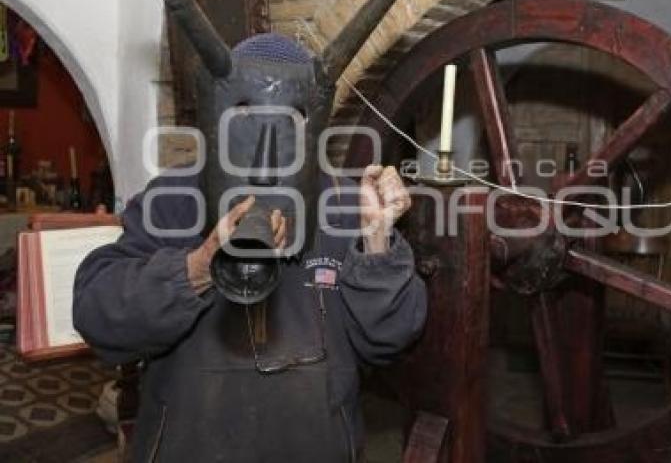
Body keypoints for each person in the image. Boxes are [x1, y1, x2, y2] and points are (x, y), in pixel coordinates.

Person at [73, 163, 426, 462]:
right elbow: (97, 316)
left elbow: (389, 339)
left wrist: (377, 241)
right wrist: (197, 267)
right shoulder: (173, 196)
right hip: (190, 445)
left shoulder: (348, 203)